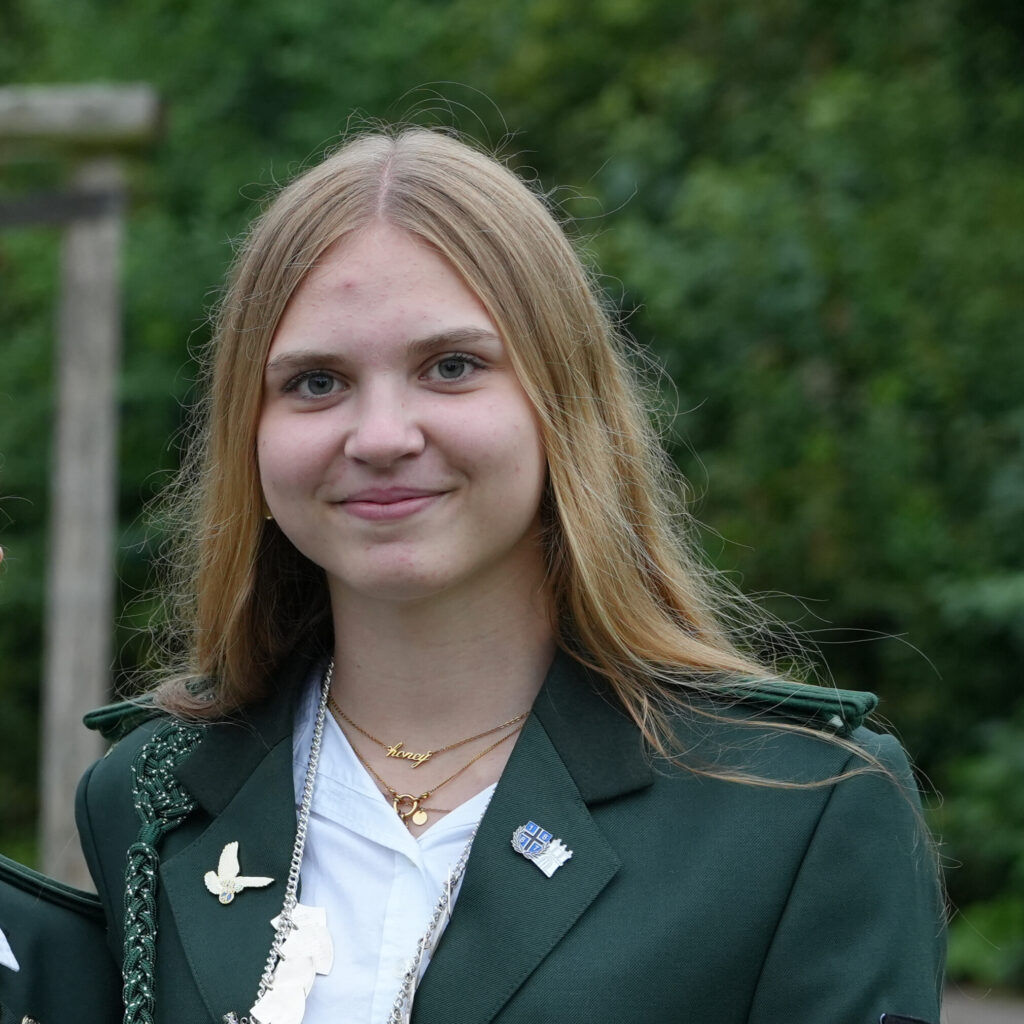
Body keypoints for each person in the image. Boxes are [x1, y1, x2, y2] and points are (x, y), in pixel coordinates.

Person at [9, 127, 944, 1024]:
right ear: (249, 436)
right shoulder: (152, 797)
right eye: (315, 382)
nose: (381, 436)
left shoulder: (801, 806)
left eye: (451, 367)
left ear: (561, 404)